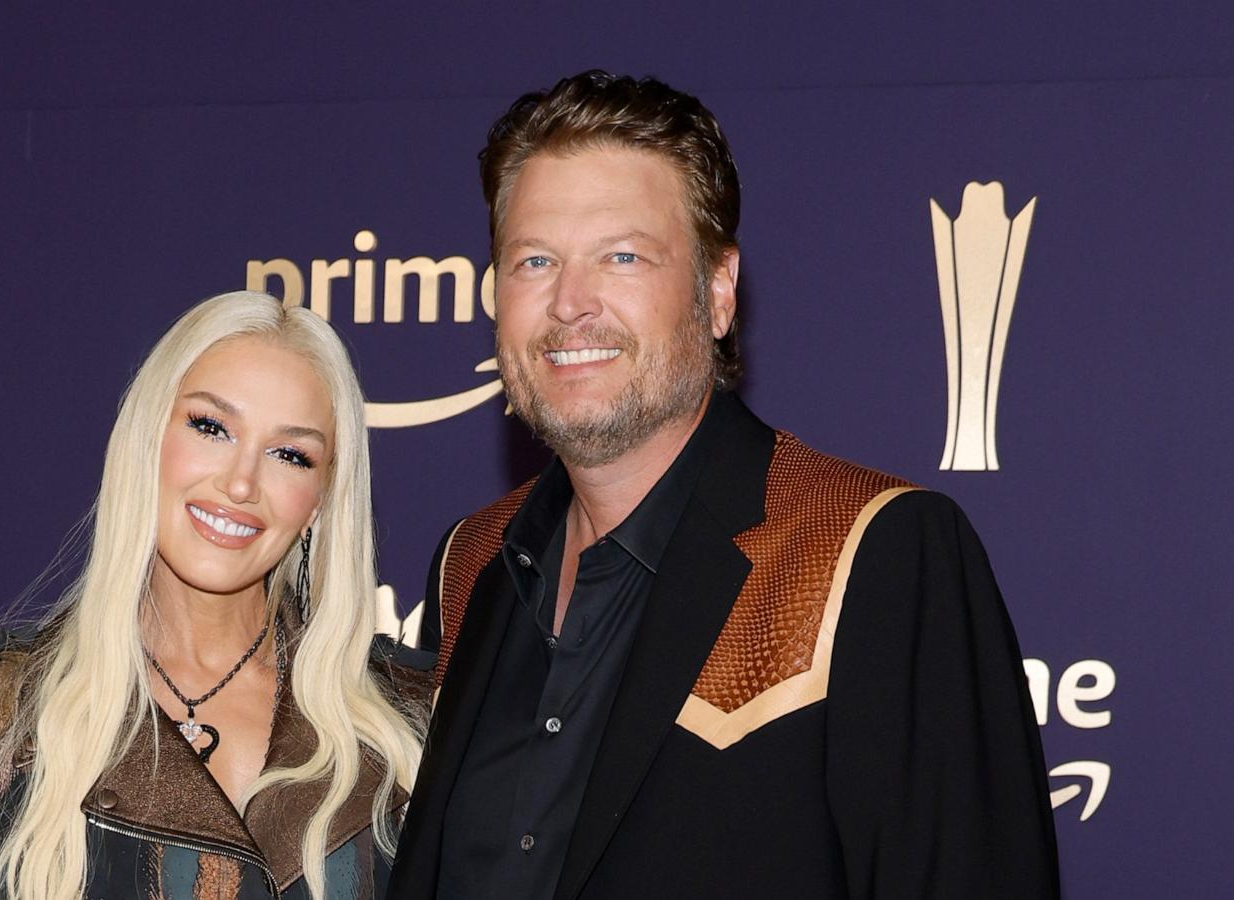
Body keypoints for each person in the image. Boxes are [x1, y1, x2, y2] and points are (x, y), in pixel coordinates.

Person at [390, 71, 1060, 898]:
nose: (570, 303)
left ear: (716, 293)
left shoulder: (874, 551)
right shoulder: (471, 565)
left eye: (622, 256)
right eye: (534, 261)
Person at [0, 291, 429, 899]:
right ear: (147, 435)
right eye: (210, 426)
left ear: (323, 498)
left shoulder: (411, 725)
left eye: (290, 454)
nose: (241, 482)